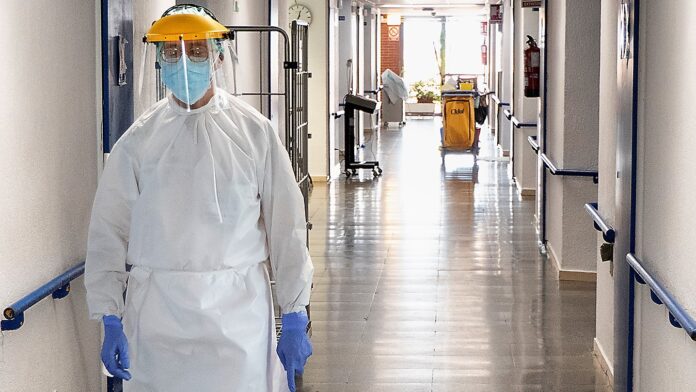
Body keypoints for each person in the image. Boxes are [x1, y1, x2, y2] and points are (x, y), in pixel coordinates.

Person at [84, 5, 313, 392]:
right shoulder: (138, 143)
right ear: (158, 59)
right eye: (172, 52)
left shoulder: (254, 134)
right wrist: (108, 315)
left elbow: (286, 226)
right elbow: (107, 232)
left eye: (197, 50)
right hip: (157, 318)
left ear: (219, 56)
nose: (184, 61)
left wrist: (293, 312)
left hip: (238, 318)